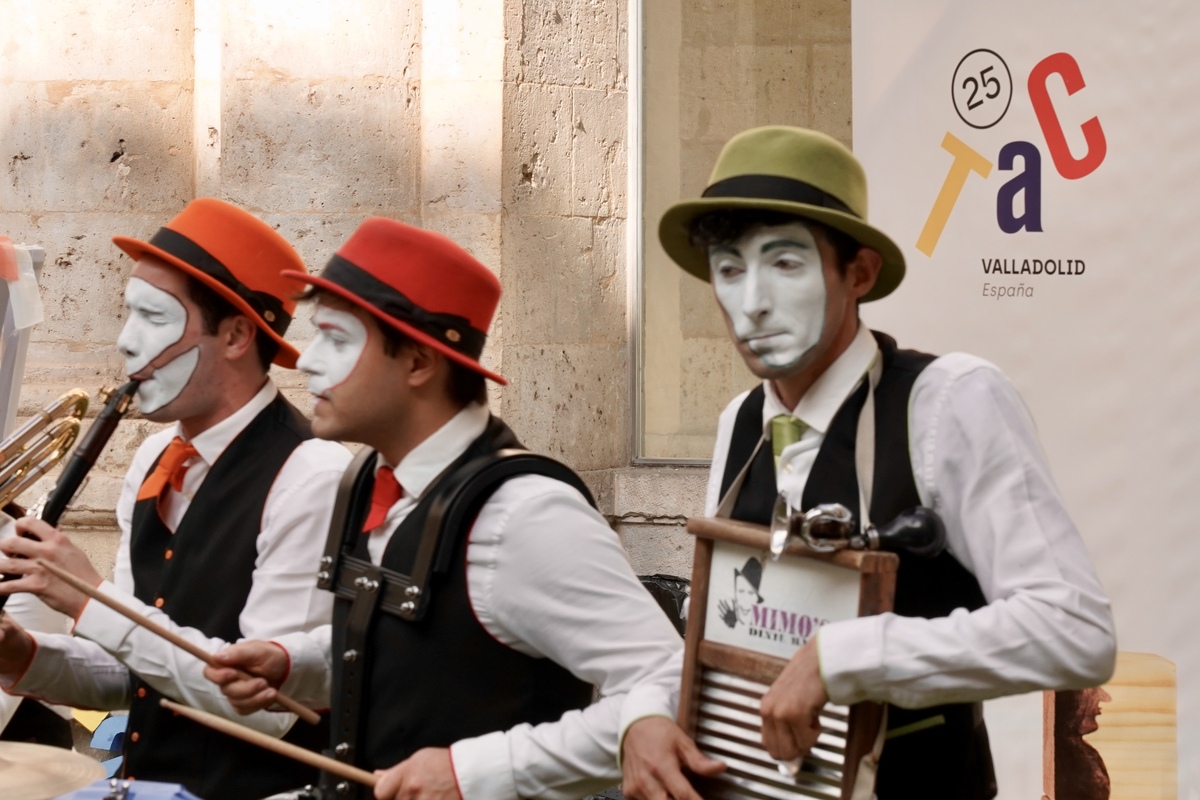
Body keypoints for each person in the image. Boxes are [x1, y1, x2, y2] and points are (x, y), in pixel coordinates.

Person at [619, 126, 1117, 799]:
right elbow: (726, 634)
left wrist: (847, 658)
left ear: (859, 273)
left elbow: (1074, 630)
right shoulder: (739, 422)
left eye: (786, 265)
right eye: (729, 268)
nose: (751, 302)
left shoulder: (947, 403)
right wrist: (643, 716)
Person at [202, 217, 684, 800]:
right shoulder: (365, 479)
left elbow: (668, 686)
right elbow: (416, 659)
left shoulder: (525, 514)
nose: (306, 361)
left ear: (418, 364)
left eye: (336, 338)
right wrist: (293, 663)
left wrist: (474, 772)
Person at [0, 198, 351, 800]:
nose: (125, 343)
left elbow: (269, 710)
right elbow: (132, 678)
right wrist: (21, 653)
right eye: (127, 315)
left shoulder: (311, 473)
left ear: (238, 334)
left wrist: (89, 597)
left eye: (154, 318)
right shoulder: (153, 459)